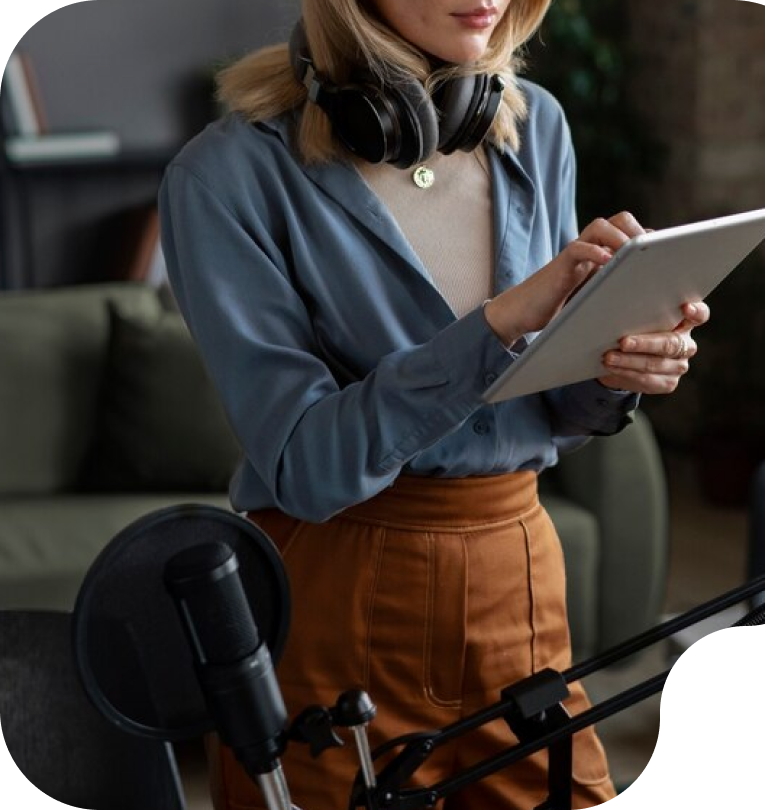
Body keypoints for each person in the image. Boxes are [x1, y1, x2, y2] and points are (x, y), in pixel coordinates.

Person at [157, 2, 709, 808]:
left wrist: (616, 370)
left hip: (519, 574)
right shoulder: (223, 178)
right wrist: (497, 325)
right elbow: (308, 469)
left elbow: (542, 413)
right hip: (335, 596)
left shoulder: (536, 125)